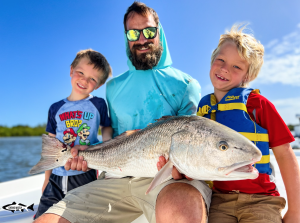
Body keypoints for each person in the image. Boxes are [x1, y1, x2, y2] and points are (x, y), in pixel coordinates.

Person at [34, 2, 211, 223]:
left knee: (182, 208)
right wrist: (85, 153)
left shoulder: (187, 84)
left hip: (168, 181)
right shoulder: (113, 87)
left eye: (148, 31)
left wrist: (185, 171)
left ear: (160, 32)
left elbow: (190, 142)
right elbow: (114, 139)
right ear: (126, 37)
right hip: (115, 177)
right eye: (133, 33)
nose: (142, 39)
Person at [197, 24, 300, 223]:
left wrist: (295, 211)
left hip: (261, 201)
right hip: (219, 200)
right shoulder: (204, 107)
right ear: (212, 61)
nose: (224, 69)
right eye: (221, 60)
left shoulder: (258, 105)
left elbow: (285, 154)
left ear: (248, 76)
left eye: (237, 66)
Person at [34, 49, 113, 219]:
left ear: (98, 85)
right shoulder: (55, 108)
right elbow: (50, 146)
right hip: (55, 179)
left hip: (85, 175)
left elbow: (106, 129)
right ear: (71, 70)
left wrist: (102, 151)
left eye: (92, 79)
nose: (84, 80)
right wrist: (46, 180)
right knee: (42, 217)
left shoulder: (98, 104)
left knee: (84, 218)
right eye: (80, 73)